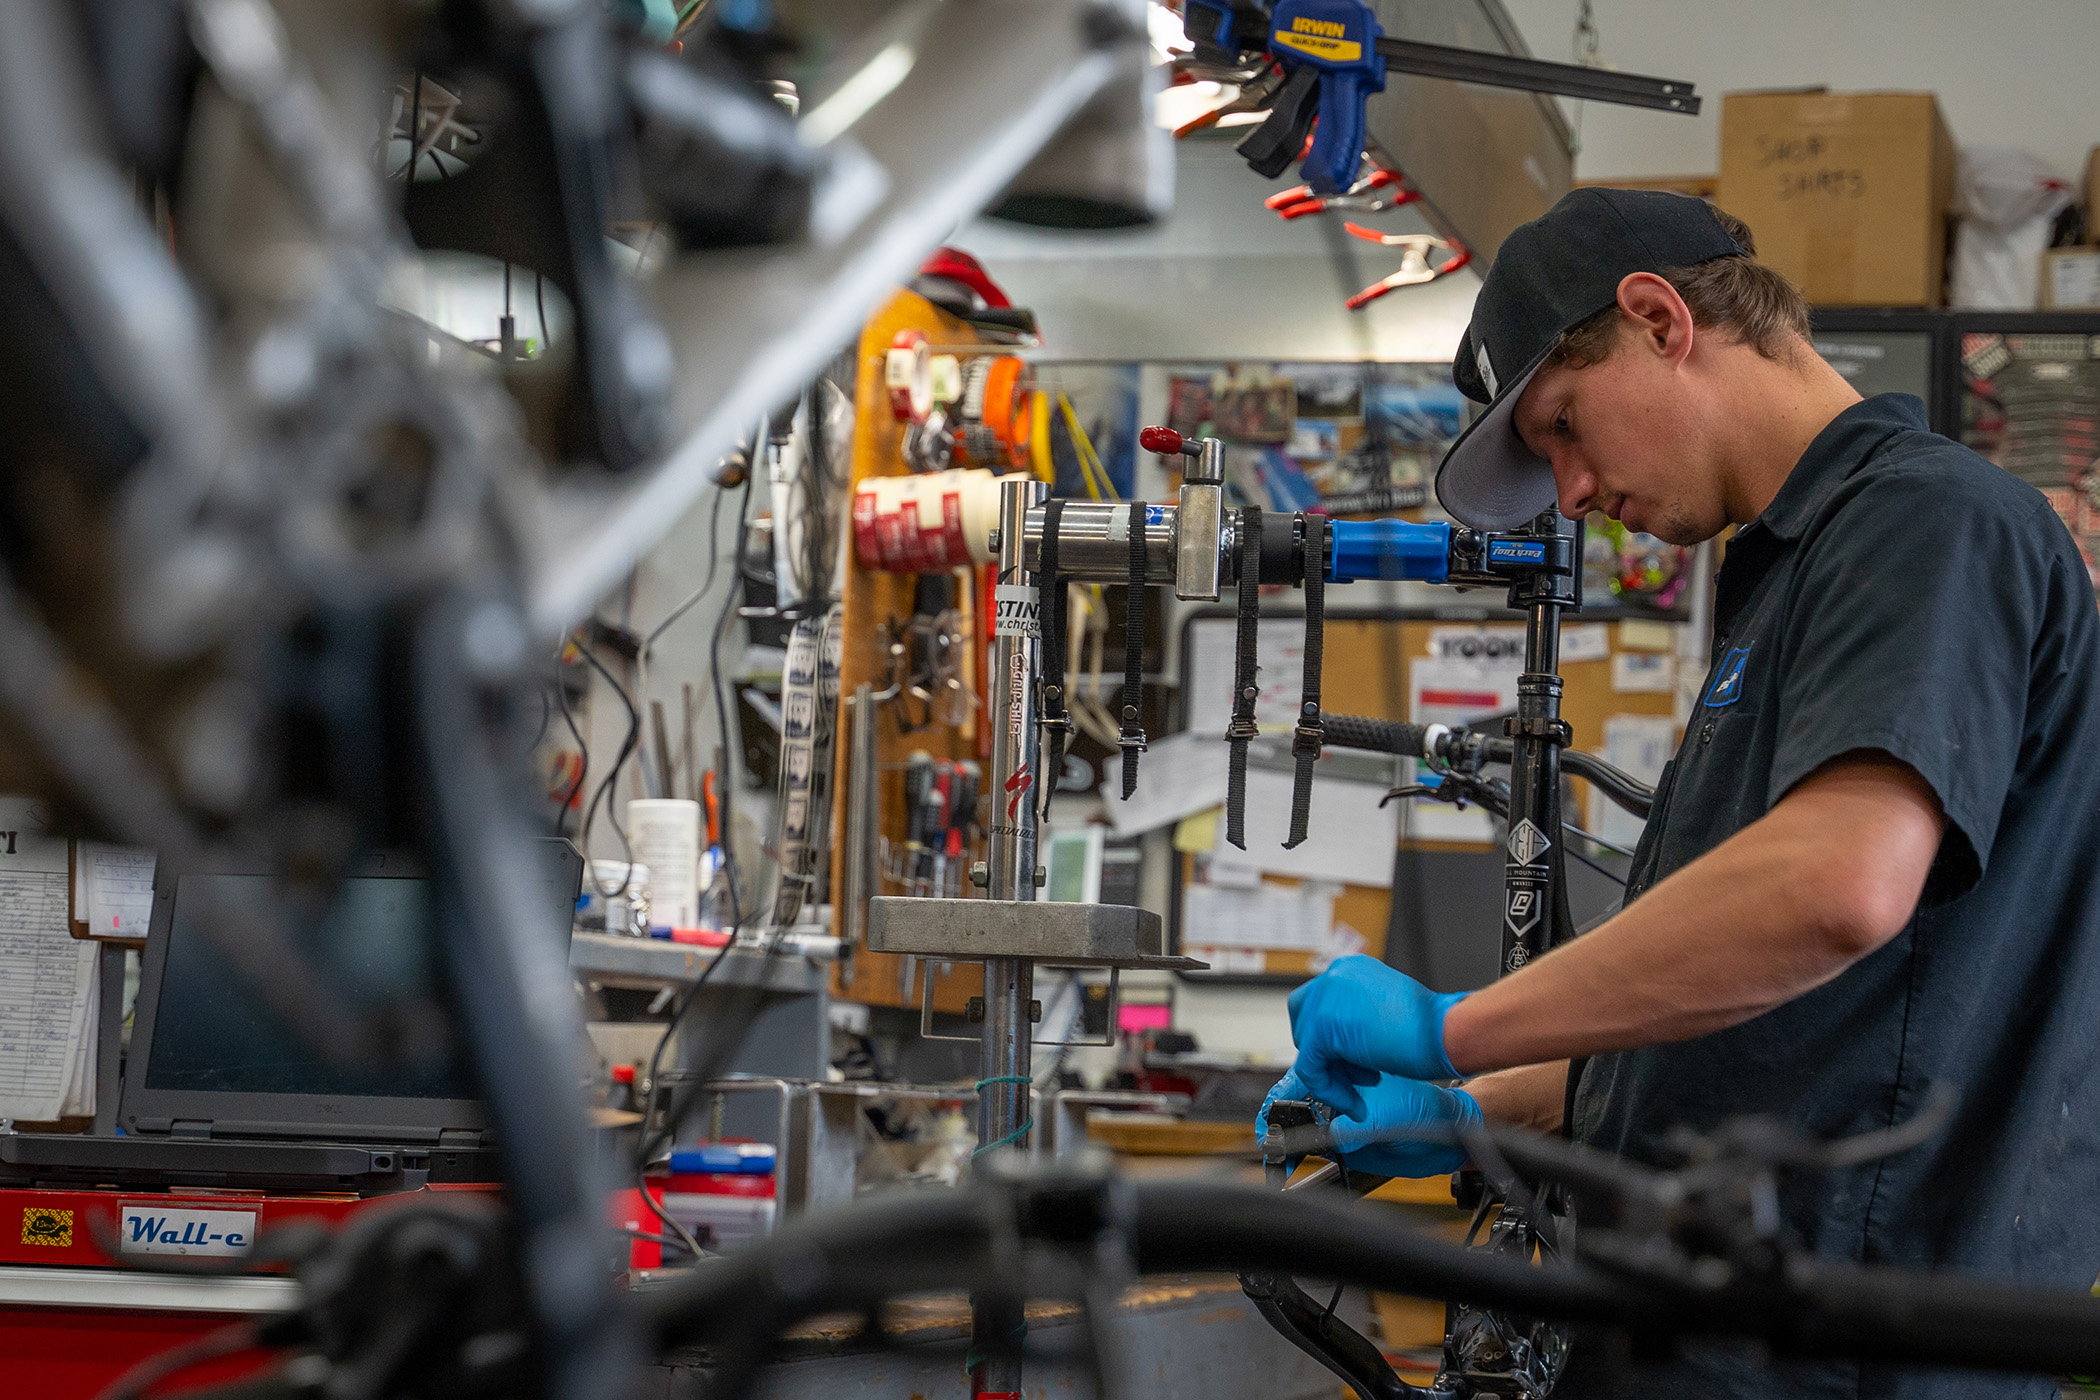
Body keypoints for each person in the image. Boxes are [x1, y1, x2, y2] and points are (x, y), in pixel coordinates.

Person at [1260, 187, 2100, 1399]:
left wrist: (1455, 1025)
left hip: (1840, 1351)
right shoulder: (1798, 572)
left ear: (1659, 320)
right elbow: (1778, 1017)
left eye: (1562, 425)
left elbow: (1836, 892)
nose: (1570, 489)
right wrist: (1475, 1108)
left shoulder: (1924, 522)